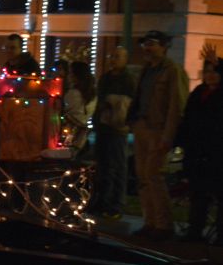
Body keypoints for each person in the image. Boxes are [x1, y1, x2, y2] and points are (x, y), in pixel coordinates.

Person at [126, 30, 189, 242]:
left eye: (152, 43)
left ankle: (164, 225)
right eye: (145, 44)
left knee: (154, 175)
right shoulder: (146, 70)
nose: (147, 48)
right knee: (143, 177)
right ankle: (150, 222)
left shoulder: (172, 70)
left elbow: (176, 105)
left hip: (158, 130)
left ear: (164, 46)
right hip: (142, 127)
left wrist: (168, 136)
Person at [174, 45, 222, 243]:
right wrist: (180, 142)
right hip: (197, 152)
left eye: (215, 72)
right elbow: (187, 119)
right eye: (207, 71)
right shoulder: (198, 93)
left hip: (217, 153)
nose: (210, 75)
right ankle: (195, 231)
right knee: (198, 193)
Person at [92, 45, 135, 218]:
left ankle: (116, 204)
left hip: (117, 128)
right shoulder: (106, 78)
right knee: (103, 165)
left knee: (117, 166)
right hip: (103, 126)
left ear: (125, 59)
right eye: (112, 56)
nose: (113, 59)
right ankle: (102, 200)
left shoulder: (127, 80)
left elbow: (129, 102)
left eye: (118, 56)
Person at [62, 61, 96, 154]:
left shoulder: (73, 94)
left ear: (76, 76)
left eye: (70, 73)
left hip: (69, 135)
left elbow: (66, 113)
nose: (68, 76)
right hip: (83, 137)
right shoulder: (93, 95)